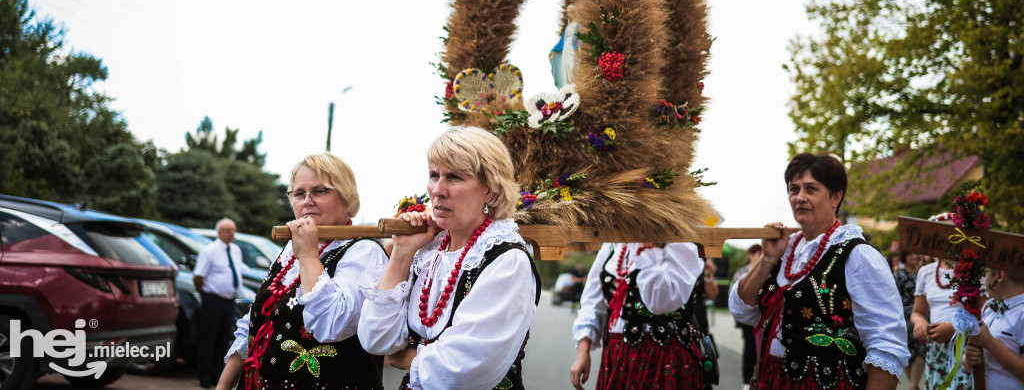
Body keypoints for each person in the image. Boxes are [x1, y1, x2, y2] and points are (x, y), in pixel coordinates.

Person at [358, 126, 540, 390]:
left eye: (454, 177)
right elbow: (376, 338)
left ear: (489, 188)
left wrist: (408, 357)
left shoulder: (506, 260)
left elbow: (463, 369)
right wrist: (402, 253)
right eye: (434, 175)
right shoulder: (429, 251)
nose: (437, 190)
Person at [730, 152, 909, 389]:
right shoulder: (785, 250)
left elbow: (887, 343)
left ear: (836, 197)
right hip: (773, 381)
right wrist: (766, 260)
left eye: (811, 189)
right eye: (794, 190)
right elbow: (743, 310)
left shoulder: (858, 255)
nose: (800, 197)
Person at [217, 153, 388, 390]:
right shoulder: (291, 248)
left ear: (347, 198)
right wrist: (224, 385)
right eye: (299, 193)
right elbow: (255, 323)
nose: (307, 201)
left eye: (319, 191)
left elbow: (333, 325)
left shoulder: (364, 252)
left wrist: (308, 255)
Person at [569, 240, 706, 389]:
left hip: (664, 356)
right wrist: (583, 350)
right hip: (616, 355)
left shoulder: (681, 240)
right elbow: (592, 299)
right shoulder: (614, 242)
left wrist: (648, 245)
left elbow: (660, 302)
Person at [910, 213, 973, 390]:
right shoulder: (926, 272)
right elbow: (918, 312)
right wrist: (920, 322)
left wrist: (954, 329)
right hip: (937, 350)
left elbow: (988, 314)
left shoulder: (975, 272)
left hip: (967, 349)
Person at [193, 217, 243, 388]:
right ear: (220, 232)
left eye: (234, 230)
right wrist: (206, 296)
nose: (232, 233)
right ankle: (205, 376)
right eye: (228, 230)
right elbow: (198, 277)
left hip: (229, 302)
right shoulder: (210, 250)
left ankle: (217, 375)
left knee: (223, 339)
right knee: (209, 339)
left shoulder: (235, 250)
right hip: (213, 300)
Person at [964, 267, 1024, 389]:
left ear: (1000, 275)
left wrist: (990, 343)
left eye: (986, 273)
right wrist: (969, 357)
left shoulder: (1022, 313)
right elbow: (970, 362)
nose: (984, 280)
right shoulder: (990, 309)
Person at [731, 244, 763, 389]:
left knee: (761, 348)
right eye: (757, 254)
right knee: (749, 346)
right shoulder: (741, 272)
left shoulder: (767, 270)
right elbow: (735, 296)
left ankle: (759, 377)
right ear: (751, 255)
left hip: (761, 316)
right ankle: (746, 379)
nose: (760, 256)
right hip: (748, 318)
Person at [893, 252, 926, 390]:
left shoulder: (922, 274)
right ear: (904, 257)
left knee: (921, 349)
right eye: (910, 255)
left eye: (915, 255)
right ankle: (913, 384)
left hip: (921, 316)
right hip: (904, 317)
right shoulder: (898, 275)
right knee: (907, 350)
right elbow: (894, 297)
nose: (914, 256)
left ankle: (913, 385)